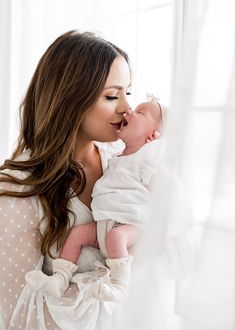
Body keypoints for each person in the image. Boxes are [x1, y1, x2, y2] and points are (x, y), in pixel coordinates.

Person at [0, 30, 139, 330]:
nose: (126, 107)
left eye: (129, 92)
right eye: (112, 95)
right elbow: (16, 308)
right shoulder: (15, 190)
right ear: (70, 97)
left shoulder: (124, 161)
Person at [25, 100, 165, 301]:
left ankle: (119, 285)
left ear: (153, 136)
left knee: (116, 238)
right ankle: (60, 278)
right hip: (104, 223)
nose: (129, 110)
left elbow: (161, 193)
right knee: (77, 234)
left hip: (131, 224)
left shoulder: (147, 159)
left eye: (140, 113)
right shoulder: (116, 154)